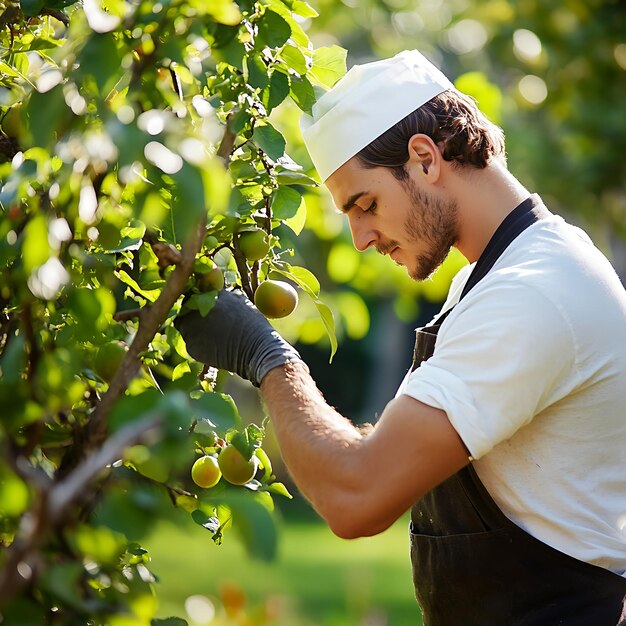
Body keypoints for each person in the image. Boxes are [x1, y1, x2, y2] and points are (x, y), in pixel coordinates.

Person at [176, 50, 626, 625]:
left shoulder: (533, 294)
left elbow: (357, 496)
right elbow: (383, 453)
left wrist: (266, 357)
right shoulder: (490, 280)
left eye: (365, 205)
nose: (361, 238)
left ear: (423, 158)